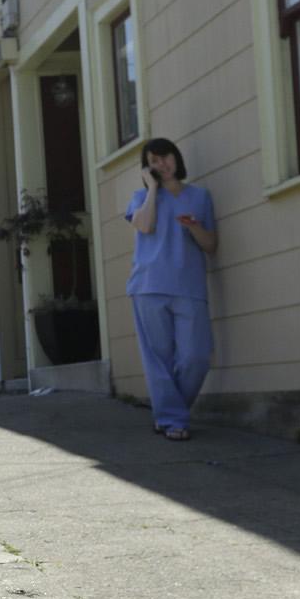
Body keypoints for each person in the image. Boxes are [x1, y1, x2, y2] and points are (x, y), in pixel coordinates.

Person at [125, 138, 217, 441]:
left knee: (197, 356)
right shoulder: (141, 196)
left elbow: (211, 245)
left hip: (189, 286)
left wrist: (193, 226)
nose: (161, 164)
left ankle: (170, 413)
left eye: (165, 158)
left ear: (176, 159)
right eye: (153, 160)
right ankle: (173, 420)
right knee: (158, 360)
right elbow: (144, 226)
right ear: (147, 166)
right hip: (148, 286)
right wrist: (152, 189)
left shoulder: (200, 197)